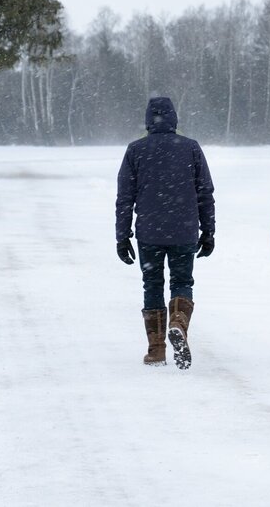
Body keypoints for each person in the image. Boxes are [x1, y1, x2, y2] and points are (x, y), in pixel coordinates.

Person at [115, 97, 216, 370]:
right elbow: (205, 192)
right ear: (174, 118)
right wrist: (208, 231)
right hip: (184, 231)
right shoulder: (191, 148)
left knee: (152, 284)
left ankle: (156, 349)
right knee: (182, 281)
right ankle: (178, 323)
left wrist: (122, 236)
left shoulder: (136, 150)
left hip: (149, 231)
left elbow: (125, 198)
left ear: (148, 120)